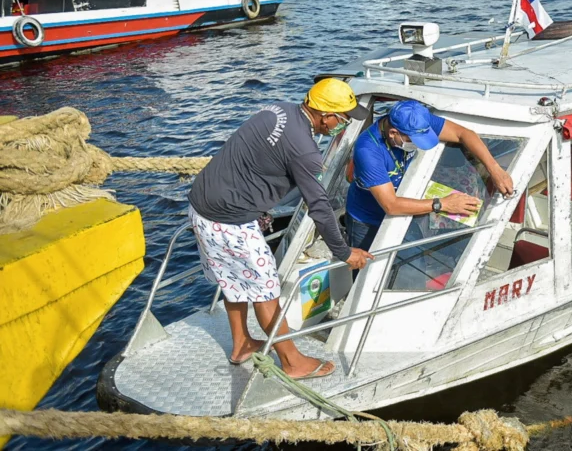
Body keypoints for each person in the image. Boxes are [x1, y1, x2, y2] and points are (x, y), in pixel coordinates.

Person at [188, 79, 373, 379]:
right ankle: (291, 361)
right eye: (343, 118)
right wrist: (343, 252)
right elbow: (320, 207)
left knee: (232, 277)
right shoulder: (304, 150)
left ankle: (241, 344)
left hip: (202, 207)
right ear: (324, 115)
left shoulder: (280, 110)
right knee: (265, 289)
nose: (343, 124)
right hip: (231, 221)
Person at [344, 100, 514, 252]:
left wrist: (495, 169)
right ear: (393, 133)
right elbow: (391, 205)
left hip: (405, 210)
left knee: (413, 262)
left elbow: (464, 134)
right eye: (414, 141)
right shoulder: (368, 151)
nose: (417, 145)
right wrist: (444, 204)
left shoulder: (416, 120)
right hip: (369, 220)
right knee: (366, 271)